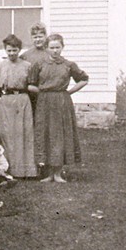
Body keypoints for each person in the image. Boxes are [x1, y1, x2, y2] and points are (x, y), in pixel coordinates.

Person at [28, 33, 88, 183]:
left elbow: (84, 80)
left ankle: (58, 173)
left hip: (62, 102)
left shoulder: (69, 65)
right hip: (44, 102)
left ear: (62, 47)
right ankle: (48, 173)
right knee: (45, 134)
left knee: (60, 135)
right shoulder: (39, 64)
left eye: (57, 47)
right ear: (47, 48)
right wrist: (43, 92)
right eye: (52, 47)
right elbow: (30, 85)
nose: (55, 51)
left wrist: (68, 92)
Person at [0, 34, 37, 178]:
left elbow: (32, 85)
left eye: (15, 50)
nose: (12, 53)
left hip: (23, 100)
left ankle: (26, 170)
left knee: (23, 133)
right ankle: (7, 170)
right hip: (6, 100)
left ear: (19, 50)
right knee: (7, 133)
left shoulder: (27, 66)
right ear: (5, 50)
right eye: (9, 50)